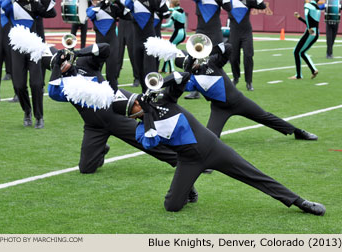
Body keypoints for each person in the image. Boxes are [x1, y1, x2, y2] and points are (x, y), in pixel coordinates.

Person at [112, 71, 326, 216]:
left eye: (137, 100)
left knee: (253, 174)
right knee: (172, 206)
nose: (139, 104)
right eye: (134, 107)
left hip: (213, 148)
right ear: (131, 116)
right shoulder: (141, 130)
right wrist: (148, 114)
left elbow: (183, 76)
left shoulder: (164, 101)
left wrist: (159, 84)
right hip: (188, 161)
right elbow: (151, 142)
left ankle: (299, 201)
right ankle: (188, 190)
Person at [45, 42, 177, 174]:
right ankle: (101, 149)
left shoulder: (83, 63)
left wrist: (77, 53)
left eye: (63, 61)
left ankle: (179, 159)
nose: (64, 65)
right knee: (86, 169)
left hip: (113, 114)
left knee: (143, 140)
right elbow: (53, 93)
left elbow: (105, 48)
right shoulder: (63, 86)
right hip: (93, 126)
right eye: (59, 65)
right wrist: (57, 65)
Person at [175, 43, 318, 141]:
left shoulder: (211, 62)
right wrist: (187, 70)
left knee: (265, 117)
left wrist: (206, 51)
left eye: (193, 59)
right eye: (190, 62)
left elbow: (229, 48)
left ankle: (298, 132)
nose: (195, 62)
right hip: (219, 109)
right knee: (210, 138)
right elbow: (180, 86)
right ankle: (208, 163)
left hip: (239, 101)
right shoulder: (191, 80)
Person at [2, 0, 53, 128]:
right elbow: (3, 6)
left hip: (33, 48)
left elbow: (52, 13)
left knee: (36, 83)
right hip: (17, 49)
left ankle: (39, 117)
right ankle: (27, 111)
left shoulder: (34, 4)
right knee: (19, 85)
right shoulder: (11, 5)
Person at [185, 0, 231, 99]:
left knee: (216, 60)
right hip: (201, 30)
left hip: (215, 31)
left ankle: (219, 87)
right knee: (194, 59)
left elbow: (229, 7)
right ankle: (194, 90)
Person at [124, 0, 171, 93]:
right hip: (136, 41)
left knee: (149, 68)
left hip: (150, 41)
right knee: (139, 69)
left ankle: (153, 91)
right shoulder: (131, 2)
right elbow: (126, 7)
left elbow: (166, 13)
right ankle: (144, 92)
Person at [86, 0, 131, 91]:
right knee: (95, 71)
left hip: (113, 44)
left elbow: (128, 16)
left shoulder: (113, 8)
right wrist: (101, 3)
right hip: (99, 46)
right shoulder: (91, 9)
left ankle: (114, 95)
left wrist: (118, 3)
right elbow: (90, 14)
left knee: (111, 73)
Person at [227, 0, 266, 91]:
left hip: (246, 32)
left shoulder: (248, 1)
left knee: (248, 55)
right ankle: (236, 78)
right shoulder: (229, 1)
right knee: (233, 58)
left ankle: (249, 82)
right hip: (234, 32)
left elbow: (262, 6)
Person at [290, 0, 321, 80]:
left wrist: (309, 28)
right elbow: (312, 22)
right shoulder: (317, 8)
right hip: (316, 32)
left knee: (296, 52)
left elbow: (307, 16)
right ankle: (313, 70)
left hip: (310, 32)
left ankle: (298, 75)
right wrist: (299, 18)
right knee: (302, 52)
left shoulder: (308, 5)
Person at [160, 0, 186, 74]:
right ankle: (164, 68)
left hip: (177, 33)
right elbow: (174, 9)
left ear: (171, 4)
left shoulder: (175, 13)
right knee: (168, 49)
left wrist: (159, 25)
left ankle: (172, 70)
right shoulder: (181, 10)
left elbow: (168, 25)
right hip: (183, 33)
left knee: (169, 50)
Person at [116, 18, 140, 87]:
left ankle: (137, 78)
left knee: (133, 55)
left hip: (131, 25)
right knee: (118, 54)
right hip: (121, 24)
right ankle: (115, 77)